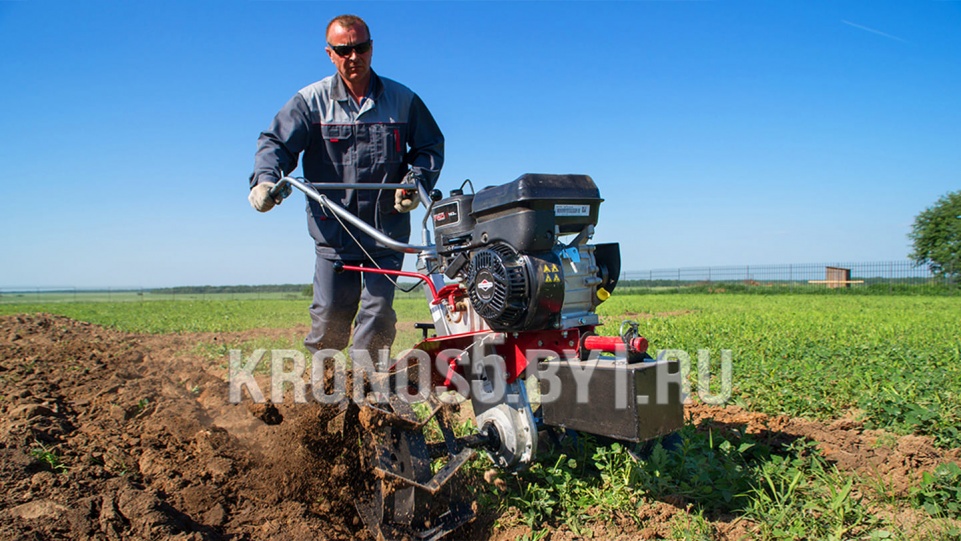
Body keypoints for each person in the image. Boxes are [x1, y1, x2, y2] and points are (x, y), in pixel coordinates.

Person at [248, 14, 444, 360]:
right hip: (334, 236)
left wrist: (415, 183)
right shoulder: (311, 102)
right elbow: (276, 143)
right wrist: (265, 180)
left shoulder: (402, 99)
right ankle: (321, 399)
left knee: (378, 316)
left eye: (361, 47)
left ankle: (366, 396)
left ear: (372, 48)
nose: (354, 57)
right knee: (329, 322)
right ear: (330, 53)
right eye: (344, 50)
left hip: (386, 232)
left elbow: (429, 147)